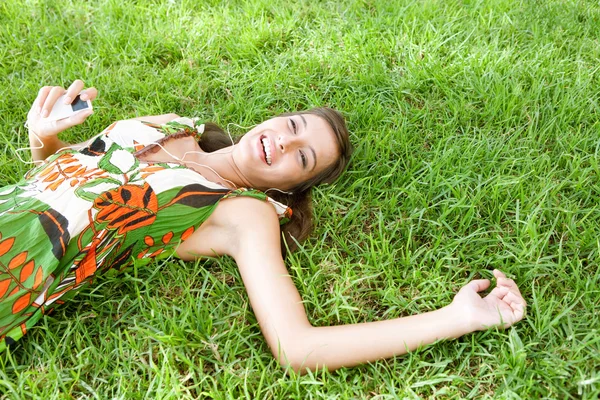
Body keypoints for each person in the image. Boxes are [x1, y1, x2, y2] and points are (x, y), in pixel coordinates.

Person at [0, 80, 526, 372]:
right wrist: (43, 137)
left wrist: (457, 317)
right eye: (295, 127)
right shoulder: (170, 125)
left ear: (286, 191)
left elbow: (298, 347)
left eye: (302, 159)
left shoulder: (242, 213)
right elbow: (64, 177)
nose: (285, 142)